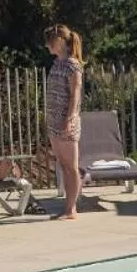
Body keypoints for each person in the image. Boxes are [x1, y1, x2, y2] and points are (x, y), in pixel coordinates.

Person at [43, 24, 84, 220]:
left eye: (49, 42)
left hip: (66, 121)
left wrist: (70, 119)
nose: (46, 46)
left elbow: (75, 95)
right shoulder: (57, 63)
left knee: (71, 166)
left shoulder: (73, 65)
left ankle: (71, 208)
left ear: (58, 41)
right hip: (53, 120)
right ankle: (67, 207)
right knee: (63, 165)